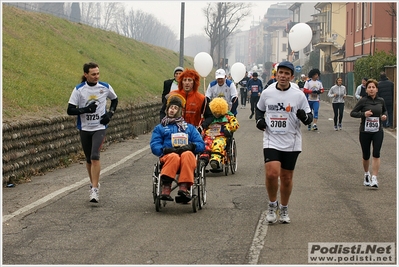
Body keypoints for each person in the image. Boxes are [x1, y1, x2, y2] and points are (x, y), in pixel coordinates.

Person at [255, 61, 313, 224]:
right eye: (281, 72)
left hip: (291, 141)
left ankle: (285, 207)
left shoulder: (298, 95)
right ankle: (272, 204)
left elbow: (309, 118)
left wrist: (303, 116)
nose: (283, 76)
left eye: (287, 73)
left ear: (291, 77)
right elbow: (260, 109)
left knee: (286, 177)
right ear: (276, 74)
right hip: (271, 139)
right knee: (272, 173)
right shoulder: (268, 92)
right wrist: (259, 120)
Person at [67, 62, 118, 203]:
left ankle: (94, 190)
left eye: (98, 73)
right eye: (93, 74)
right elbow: (70, 110)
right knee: (89, 159)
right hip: (84, 128)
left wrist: (110, 114)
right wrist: (84, 110)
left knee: (95, 155)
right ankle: (93, 183)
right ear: (86, 75)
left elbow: (115, 99)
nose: (96, 76)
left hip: (99, 127)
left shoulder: (105, 87)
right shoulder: (79, 90)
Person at [150, 94, 205, 202]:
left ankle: (184, 188)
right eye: (170, 107)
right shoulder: (160, 128)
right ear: (167, 109)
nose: (172, 110)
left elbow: (201, 144)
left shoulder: (189, 128)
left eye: (175, 108)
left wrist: (192, 146)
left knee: (188, 154)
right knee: (174, 156)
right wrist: (164, 150)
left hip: (186, 156)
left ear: (180, 111)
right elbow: (154, 144)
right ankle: (166, 187)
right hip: (169, 156)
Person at [350, 79, 387, 189]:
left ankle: (374, 177)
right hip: (365, 131)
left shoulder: (381, 100)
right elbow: (353, 113)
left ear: (377, 89)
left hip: (378, 131)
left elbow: (384, 111)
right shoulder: (363, 101)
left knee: (376, 153)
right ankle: (367, 174)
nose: (371, 89)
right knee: (366, 155)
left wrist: (384, 116)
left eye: (373, 87)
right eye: (369, 87)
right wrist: (363, 114)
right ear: (366, 90)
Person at [200, 97, 239, 170]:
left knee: (218, 145)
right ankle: (203, 159)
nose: (216, 115)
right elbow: (203, 124)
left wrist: (228, 129)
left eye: (218, 113)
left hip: (221, 136)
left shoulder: (228, 116)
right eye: (215, 113)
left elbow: (235, 124)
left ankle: (215, 160)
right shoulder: (210, 117)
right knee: (205, 144)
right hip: (209, 135)